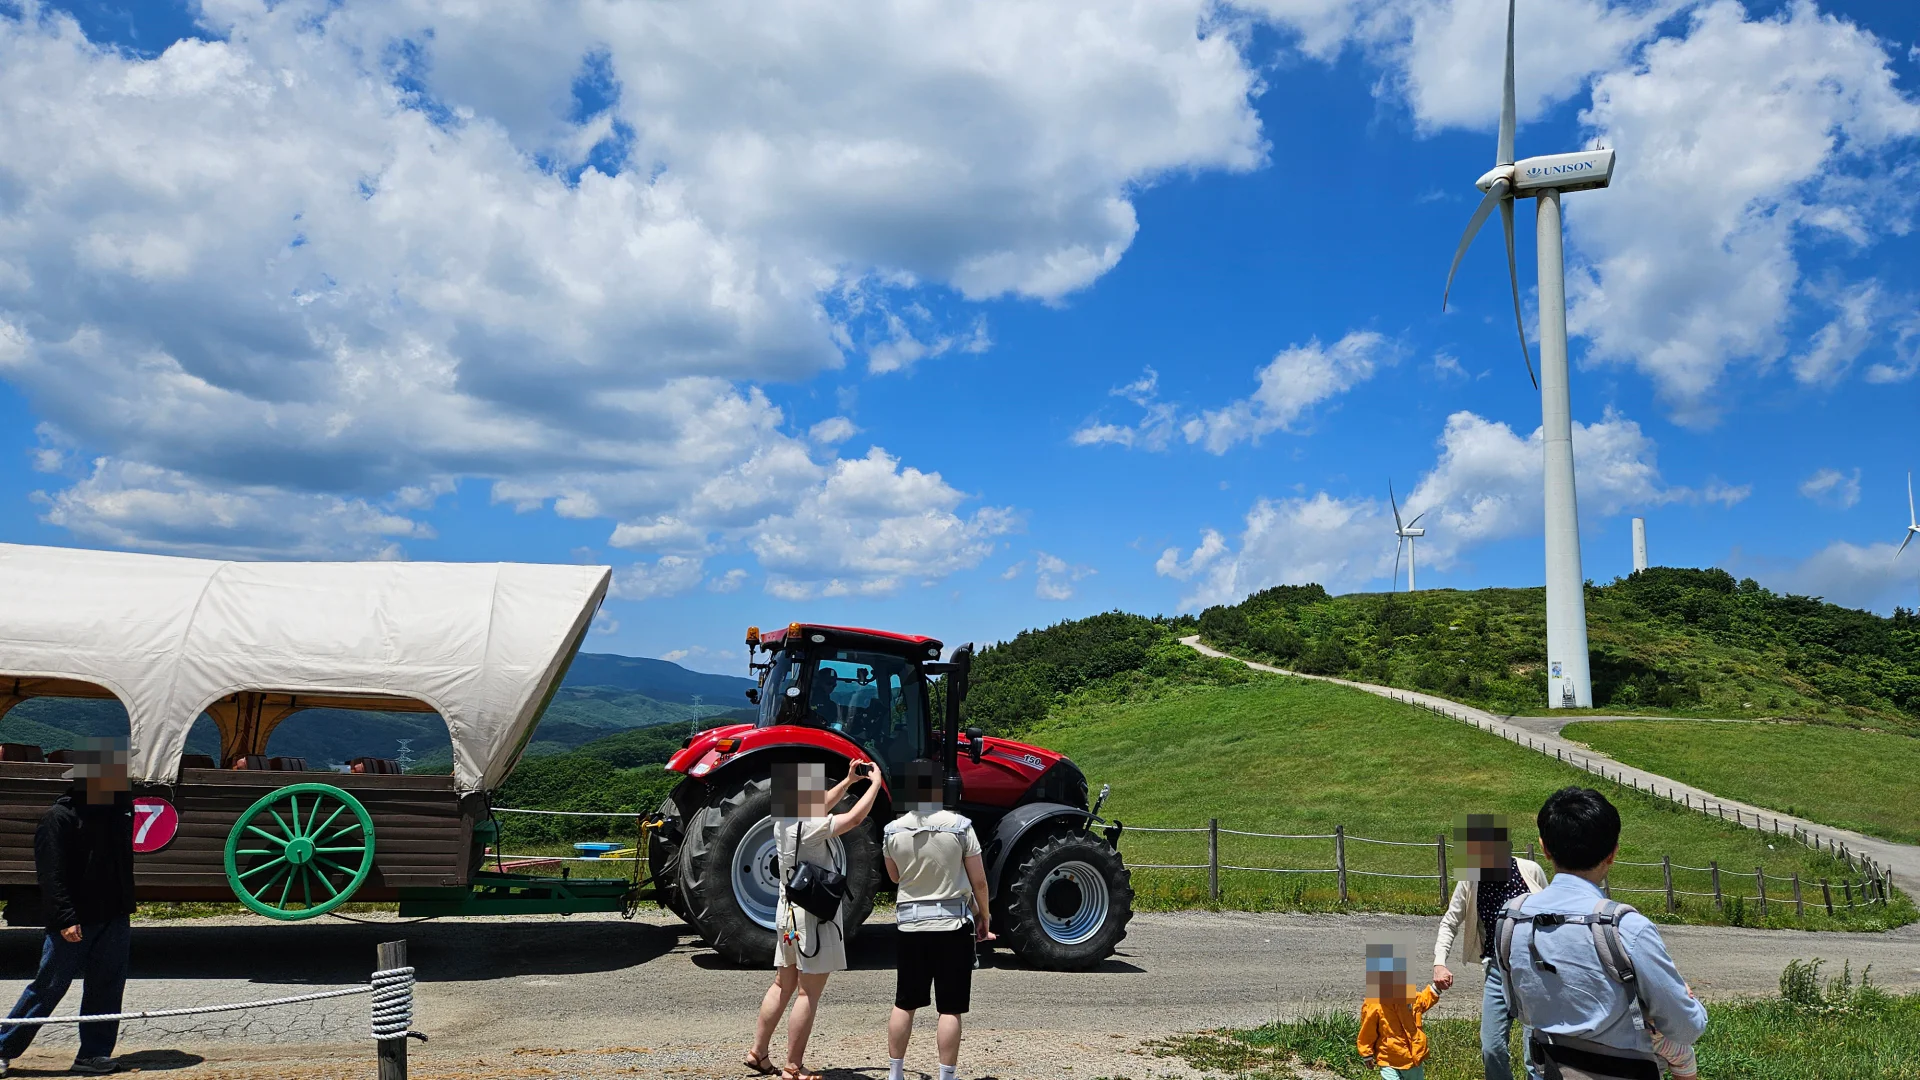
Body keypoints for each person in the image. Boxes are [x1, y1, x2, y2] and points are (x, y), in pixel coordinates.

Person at [1498, 787, 1706, 1080]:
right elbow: (1687, 1028)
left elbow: (1516, 1007)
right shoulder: (1627, 928)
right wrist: (1691, 1004)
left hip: (1552, 1069)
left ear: (1544, 848)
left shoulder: (1511, 919)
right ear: (1613, 853)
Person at [0, 738, 137, 1077]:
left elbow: (121, 864)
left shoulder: (116, 813)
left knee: (107, 986)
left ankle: (93, 1054)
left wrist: (125, 907)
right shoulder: (58, 818)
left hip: (114, 915)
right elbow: (51, 875)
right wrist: (65, 918)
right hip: (75, 918)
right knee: (48, 987)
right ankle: (2, 1047)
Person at [746, 758, 882, 1080]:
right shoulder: (812, 827)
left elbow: (819, 804)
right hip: (813, 917)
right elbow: (853, 818)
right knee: (808, 993)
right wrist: (874, 784)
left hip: (787, 912)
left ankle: (758, 1052)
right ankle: (793, 1067)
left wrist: (849, 782)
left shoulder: (783, 821)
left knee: (782, 984)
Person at [883, 760, 993, 1080]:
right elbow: (980, 882)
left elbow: (894, 877)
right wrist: (983, 916)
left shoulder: (892, 831)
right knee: (950, 1007)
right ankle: (946, 1075)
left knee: (905, 1002)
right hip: (952, 926)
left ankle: (895, 1072)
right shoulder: (960, 826)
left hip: (911, 925)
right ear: (937, 788)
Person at [1432, 813, 1548, 1080]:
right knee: (1492, 1048)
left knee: (1536, 1055)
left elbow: (1553, 916)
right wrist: (1440, 962)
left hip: (1535, 971)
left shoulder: (1530, 871)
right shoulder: (1470, 880)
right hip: (1498, 972)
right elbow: (1450, 922)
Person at [1358, 941, 1442, 1080]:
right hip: (1388, 1059)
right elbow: (1367, 1030)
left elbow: (1423, 1000)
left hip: (1413, 1058)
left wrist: (1436, 988)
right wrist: (1366, 1053)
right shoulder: (1374, 1003)